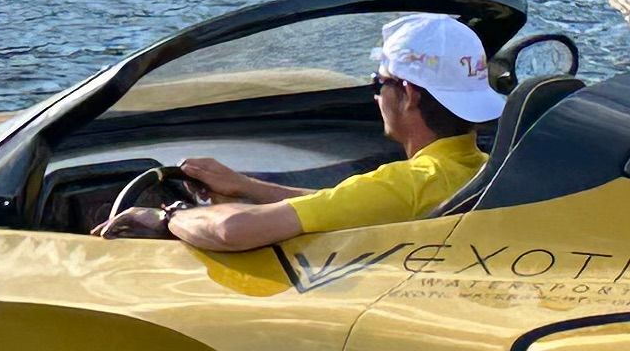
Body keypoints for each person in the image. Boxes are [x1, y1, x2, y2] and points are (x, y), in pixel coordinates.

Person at [104, 13, 502, 252]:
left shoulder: (410, 184)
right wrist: (246, 188)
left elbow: (232, 230)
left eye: (377, 84)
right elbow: (346, 205)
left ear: (410, 95)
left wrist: (169, 216)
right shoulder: (482, 169)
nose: (376, 97)